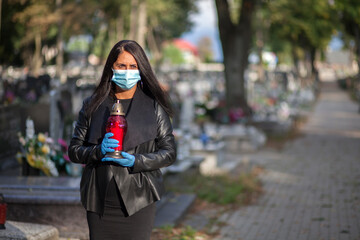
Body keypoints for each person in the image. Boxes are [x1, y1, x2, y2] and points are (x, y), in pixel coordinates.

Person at [68, 40, 176, 240]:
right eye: (122, 66)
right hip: (99, 200)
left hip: (139, 199)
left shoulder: (154, 107)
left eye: (133, 66)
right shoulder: (92, 105)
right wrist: (98, 151)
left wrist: (137, 160)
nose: (127, 71)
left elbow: (169, 152)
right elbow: (74, 150)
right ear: (112, 67)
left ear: (141, 69)